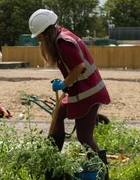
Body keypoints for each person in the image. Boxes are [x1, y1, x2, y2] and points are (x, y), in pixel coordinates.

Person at [28, 9, 111, 159]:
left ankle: (100, 174)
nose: (39, 41)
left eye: (40, 37)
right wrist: (66, 83)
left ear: (47, 33)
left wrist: (64, 83)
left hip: (88, 93)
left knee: (85, 138)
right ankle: (52, 158)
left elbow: (78, 67)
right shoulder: (62, 37)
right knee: (57, 114)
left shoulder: (63, 43)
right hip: (79, 90)